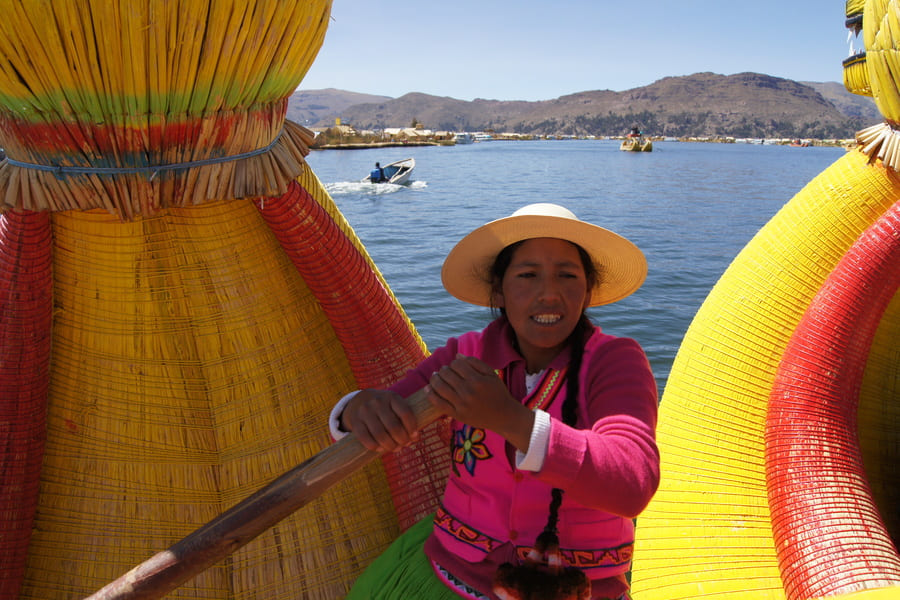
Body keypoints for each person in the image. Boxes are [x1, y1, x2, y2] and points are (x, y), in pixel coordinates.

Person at [329, 203, 660, 600]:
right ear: (499, 290)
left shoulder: (614, 361)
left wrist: (510, 419)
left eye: (567, 276)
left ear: (587, 291)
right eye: (527, 276)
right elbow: (391, 407)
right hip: (450, 575)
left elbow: (632, 483)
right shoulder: (464, 356)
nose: (549, 293)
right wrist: (359, 409)